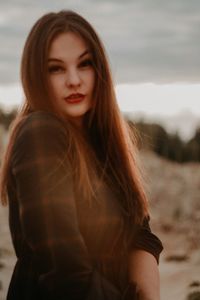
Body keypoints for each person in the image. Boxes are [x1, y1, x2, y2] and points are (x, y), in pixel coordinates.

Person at [0, 10, 163, 300]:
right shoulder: (42, 132)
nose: (74, 80)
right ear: (36, 76)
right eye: (56, 68)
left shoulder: (105, 143)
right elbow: (64, 270)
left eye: (84, 64)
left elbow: (142, 234)